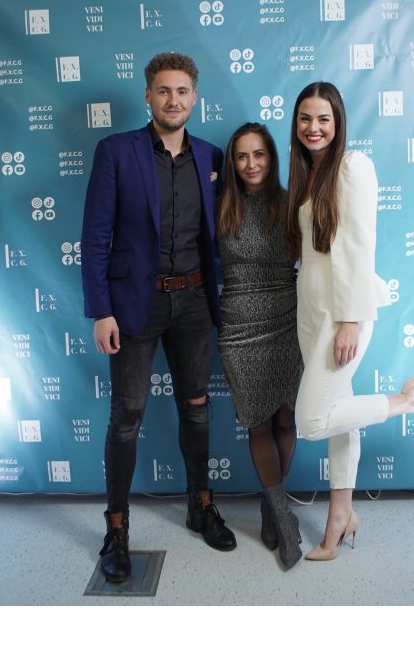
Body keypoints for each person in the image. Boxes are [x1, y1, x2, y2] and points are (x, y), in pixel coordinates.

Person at [81, 52, 236, 584]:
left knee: (196, 408)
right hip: (133, 306)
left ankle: (200, 506)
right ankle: (116, 530)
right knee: (126, 417)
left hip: (194, 301)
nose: (174, 100)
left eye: (182, 91)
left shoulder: (211, 156)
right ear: (147, 96)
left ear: (195, 98)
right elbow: (95, 237)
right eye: (164, 91)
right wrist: (101, 310)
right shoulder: (115, 151)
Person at [285, 82, 414, 561]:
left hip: (342, 308)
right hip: (310, 303)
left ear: (338, 123)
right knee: (340, 417)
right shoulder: (306, 173)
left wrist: (351, 320)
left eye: (324, 119)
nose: (314, 128)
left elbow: (358, 246)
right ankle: (341, 516)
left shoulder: (351, 166)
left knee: (312, 420)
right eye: (305, 118)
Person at [217, 122, 304, 569]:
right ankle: (285, 522)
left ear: (272, 157)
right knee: (257, 425)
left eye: (259, 154)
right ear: (232, 163)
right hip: (239, 326)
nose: (251, 164)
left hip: (288, 319)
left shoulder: (292, 204)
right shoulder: (219, 205)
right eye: (242, 156)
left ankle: (273, 507)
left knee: (287, 417)